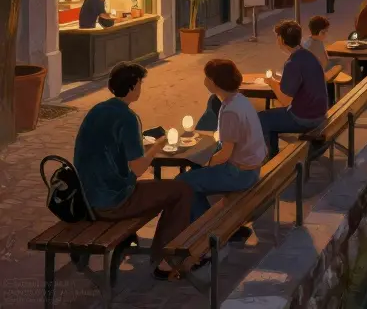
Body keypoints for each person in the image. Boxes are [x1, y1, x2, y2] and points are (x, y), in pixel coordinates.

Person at [74, 62, 192, 279]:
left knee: (160, 190)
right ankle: (165, 262)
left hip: (87, 196)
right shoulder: (127, 118)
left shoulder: (97, 110)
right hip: (112, 201)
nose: (140, 89)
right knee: (182, 190)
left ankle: (151, 250)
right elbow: (137, 168)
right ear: (133, 86)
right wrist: (157, 146)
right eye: (139, 84)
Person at [178, 60, 265, 237]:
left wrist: (206, 163)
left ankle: (206, 231)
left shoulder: (230, 111)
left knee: (183, 182)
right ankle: (211, 224)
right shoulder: (240, 99)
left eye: (206, 77)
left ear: (214, 82)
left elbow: (225, 155)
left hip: (240, 173)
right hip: (252, 166)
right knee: (194, 173)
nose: (204, 80)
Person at [259, 21, 329, 155]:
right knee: (271, 116)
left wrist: (272, 83)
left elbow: (285, 101)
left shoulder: (293, 63)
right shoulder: (308, 55)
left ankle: (272, 160)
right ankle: (273, 155)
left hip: (305, 117)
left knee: (262, 118)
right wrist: (279, 81)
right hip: (319, 112)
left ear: (281, 39)